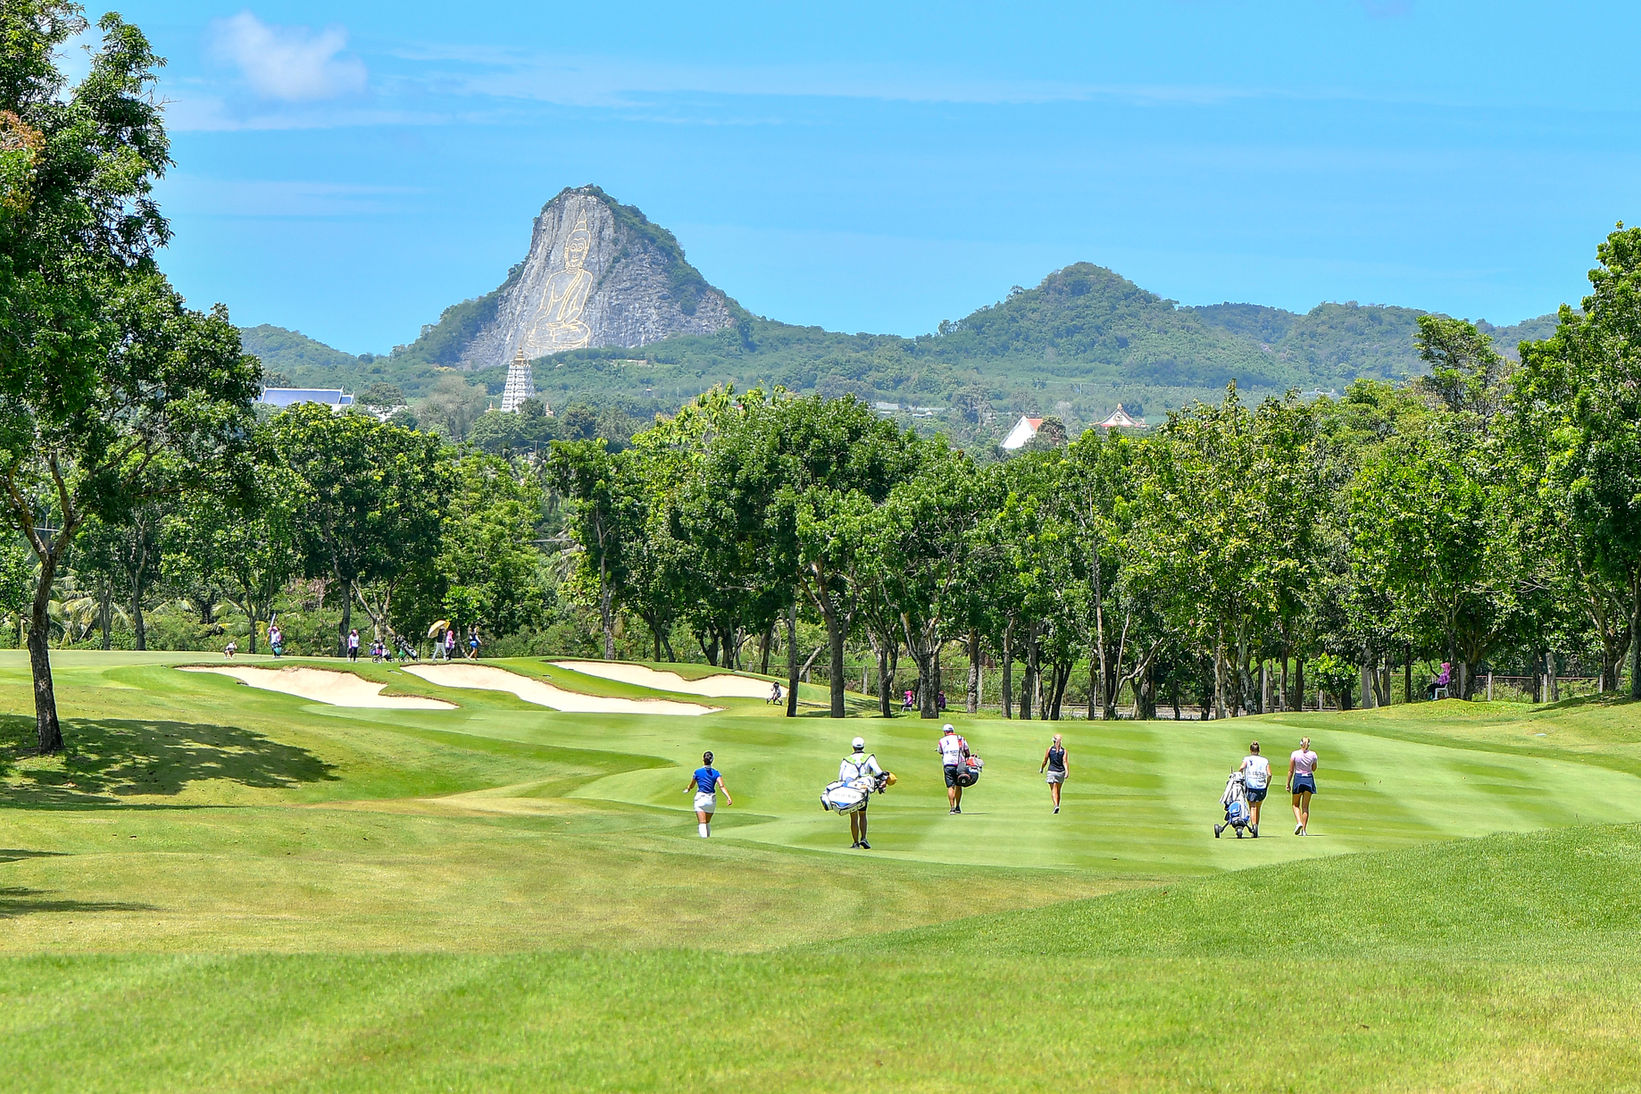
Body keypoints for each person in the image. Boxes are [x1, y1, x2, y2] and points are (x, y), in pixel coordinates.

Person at [839, 736, 884, 849]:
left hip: (851, 790)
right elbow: (878, 772)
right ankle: (864, 838)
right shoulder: (869, 758)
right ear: (863, 746)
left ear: (853, 747)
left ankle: (855, 843)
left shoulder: (846, 760)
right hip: (863, 789)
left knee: (853, 817)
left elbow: (841, 778)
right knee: (863, 814)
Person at [685, 750, 731, 838]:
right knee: (707, 822)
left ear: (703, 759)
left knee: (702, 822)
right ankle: (708, 839)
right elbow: (721, 786)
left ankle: (705, 840)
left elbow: (692, 785)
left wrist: (688, 788)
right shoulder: (716, 773)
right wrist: (728, 797)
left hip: (700, 799)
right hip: (711, 800)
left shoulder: (697, 772)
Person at [1237, 741, 1271, 836]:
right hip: (1261, 786)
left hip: (1251, 785)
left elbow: (1241, 768)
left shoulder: (1247, 759)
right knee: (1258, 808)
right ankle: (1256, 828)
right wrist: (1266, 784)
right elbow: (1269, 774)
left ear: (1250, 750)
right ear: (1259, 750)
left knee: (1252, 807)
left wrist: (1241, 778)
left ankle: (1254, 828)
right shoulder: (1265, 760)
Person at [1288, 736, 1319, 835]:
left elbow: (1291, 770)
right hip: (1309, 779)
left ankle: (1299, 822)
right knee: (1305, 807)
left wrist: (1288, 783)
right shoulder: (1313, 755)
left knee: (1295, 804)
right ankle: (1304, 830)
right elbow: (1314, 769)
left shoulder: (1295, 754)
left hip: (1298, 778)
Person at [937, 723, 969, 814]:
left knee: (950, 786)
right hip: (960, 764)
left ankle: (952, 808)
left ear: (945, 732)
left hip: (948, 764)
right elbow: (967, 751)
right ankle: (958, 807)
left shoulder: (942, 740)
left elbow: (940, 751)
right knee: (959, 785)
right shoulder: (960, 738)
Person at [1040, 733, 1068, 814]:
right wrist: (1067, 772)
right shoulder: (1064, 751)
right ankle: (1057, 805)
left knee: (1053, 790)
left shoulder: (1049, 749)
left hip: (1051, 771)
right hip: (1061, 772)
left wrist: (1042, 768)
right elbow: (1065, 761)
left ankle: (1056, 805)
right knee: (1058, 790)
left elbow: (1045, 761)